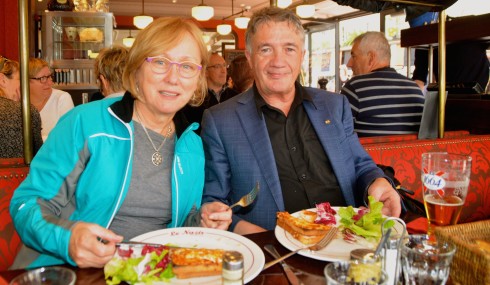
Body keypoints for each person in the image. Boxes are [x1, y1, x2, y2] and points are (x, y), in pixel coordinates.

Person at [10, 17, 231, 270]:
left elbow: (178, 226)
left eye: (187, 66)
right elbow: (26, 203)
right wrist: (68, 239)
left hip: (154, 273)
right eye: (160, 62)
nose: (173, 78)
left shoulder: (192, 145)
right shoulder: (84, 123)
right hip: (74, 272)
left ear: (198, 79)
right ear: (136, 69)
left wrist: (201, 220)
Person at [199, 7, 401, 235]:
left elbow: (360, 165)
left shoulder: (335, 106)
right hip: (275, 253)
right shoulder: (220, 120)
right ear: (249, 57)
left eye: (289, 49)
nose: (278, 61)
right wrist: (240, 228)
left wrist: (377, 183)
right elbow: (215, 202)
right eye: (266, 49)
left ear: (302, 56)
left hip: (347, 240)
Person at [340, 31, 425, 137]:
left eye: (353, 56)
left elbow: (337, 134)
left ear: (371, 58)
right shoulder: (415, 90)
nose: (349, 63)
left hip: (368, 153)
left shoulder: (354, 88)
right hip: (410, 153)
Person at [0, 56, 43, 158]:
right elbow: (39, 155)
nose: (24, 85)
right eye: (21, 79)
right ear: (2, 80)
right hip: (17, 173)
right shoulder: (26, 112)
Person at [183, 52, 237, 131]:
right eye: (217, 66)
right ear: (205, 72)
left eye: (224, 65)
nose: (223, 70)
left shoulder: (236, 97)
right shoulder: (194, 101)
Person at [28, 58, 74, 141]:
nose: (50, 83)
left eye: (49, 77)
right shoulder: (16, 102)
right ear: (26, 81)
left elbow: (67, 136)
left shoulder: (62, 98)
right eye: (42, 78)